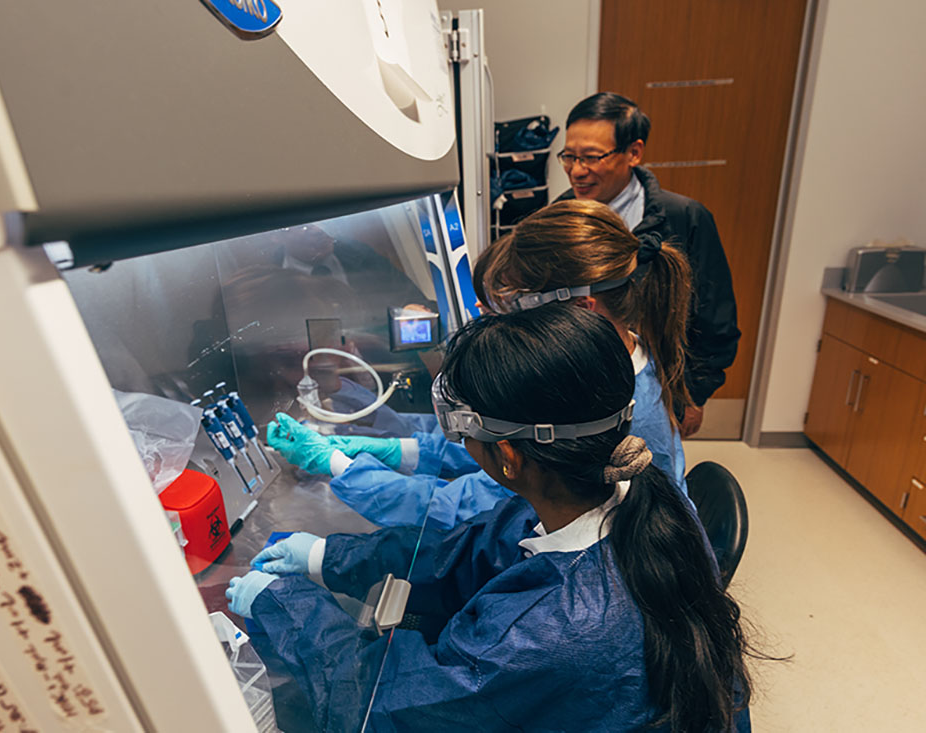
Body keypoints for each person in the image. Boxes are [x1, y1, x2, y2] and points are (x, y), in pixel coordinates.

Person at [227, 304, 753, 731]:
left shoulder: (544, 635)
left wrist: (282, 606)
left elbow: (385, 707)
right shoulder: (636, 492)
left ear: (508, 457)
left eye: (462, 432)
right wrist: (326, 557)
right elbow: (465, 548)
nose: (458, 444)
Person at [268, 200, 692, 530]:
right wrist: (395, 450)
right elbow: (496, 445)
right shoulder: (585, 375)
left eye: (516, 308)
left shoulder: (613, 415)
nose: (501, 326)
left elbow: (463, 506)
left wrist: (338, 467)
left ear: (582, 309)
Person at [555, 92, 739, 437]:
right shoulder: (559, 218)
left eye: (592, 157)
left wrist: (692, 396)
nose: (577, 171)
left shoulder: (684, 218)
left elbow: (716, 321)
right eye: (569, 156)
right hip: (577, 393)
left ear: (634, 152)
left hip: (656, 396)